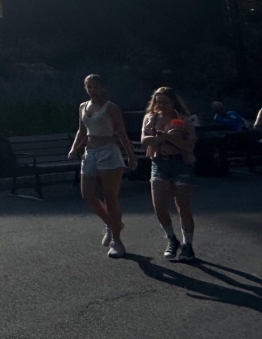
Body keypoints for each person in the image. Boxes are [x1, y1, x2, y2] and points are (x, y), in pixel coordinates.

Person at [68, 75, 138, 258]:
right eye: (89, 86)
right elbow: (82, 130)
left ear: (102, 88)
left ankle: (117, 240)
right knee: (88, 194)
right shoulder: (83, 106)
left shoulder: (111, 107)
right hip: (90, 153)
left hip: (108, 152)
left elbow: (121, 132)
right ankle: (112, 223)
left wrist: (131, 155)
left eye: (96, 86)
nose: (92, 90)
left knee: (110, 197)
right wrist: (74, 148)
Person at [143, 87, 197, 262]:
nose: (162, 105)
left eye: (165, 102)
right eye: (159, 102)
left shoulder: (183, 120)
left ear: (173, 102)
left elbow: (189, 146)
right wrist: (160, 139)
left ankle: (188, 245)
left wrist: (169, 137)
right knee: (159, 205)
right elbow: (145, 140)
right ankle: (171, 239)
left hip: (181, 163)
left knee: (183, 206)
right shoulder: (151, 118)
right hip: (159, 163)